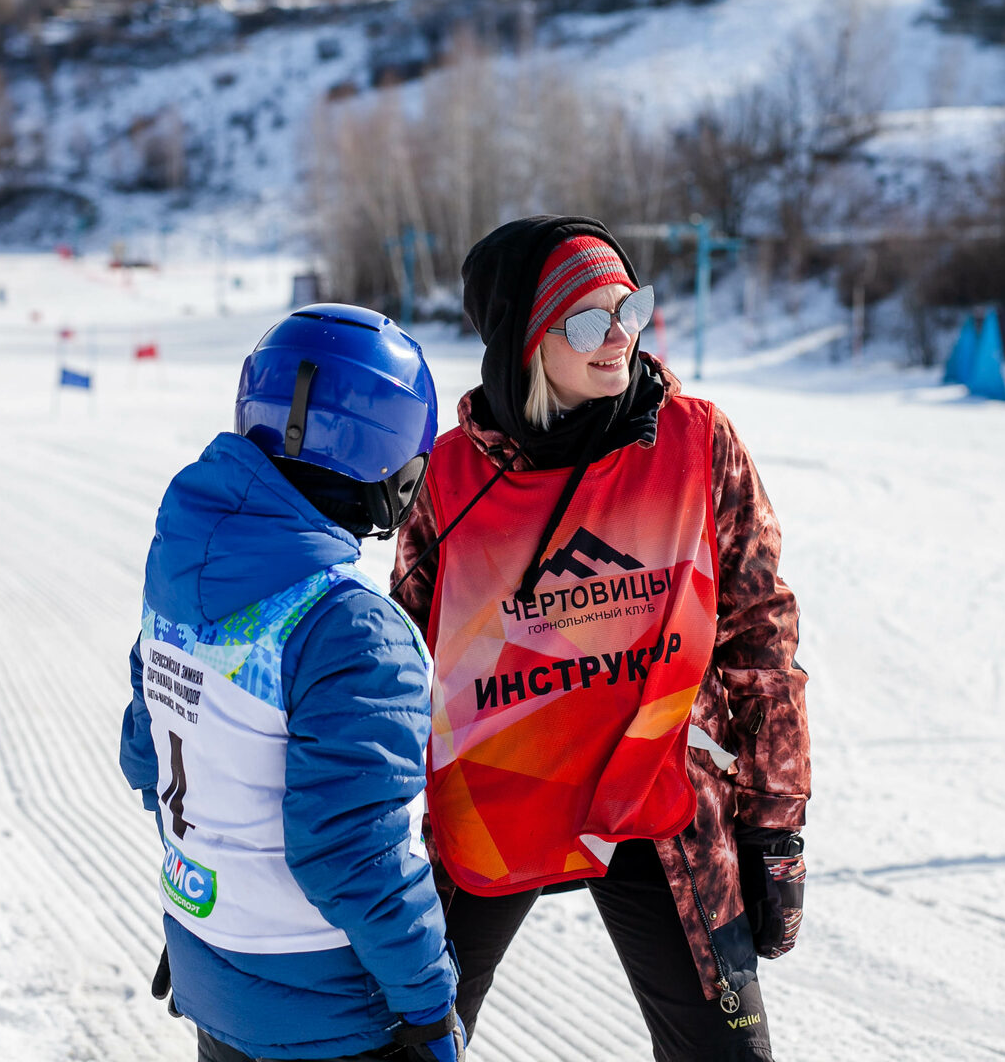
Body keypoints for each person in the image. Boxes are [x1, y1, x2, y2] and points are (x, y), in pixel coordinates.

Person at [392, 216, 811, 1062]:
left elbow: (761, 633)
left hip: (655, 807)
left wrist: (775, 822)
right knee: (397, 1046)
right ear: (526, 340)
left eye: (630, 307)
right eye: (587, 320)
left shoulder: (697, 443)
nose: (619, 336)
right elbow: (394, 661)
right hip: (494, 813)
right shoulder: (450, 478)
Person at [119, 304, 463, 1062]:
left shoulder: (182, 575)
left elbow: (153, 762)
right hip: (329, 1009)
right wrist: (430, 1008)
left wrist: (205, 929)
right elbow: (353, 852)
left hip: (213, 968)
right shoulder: (349, 628)